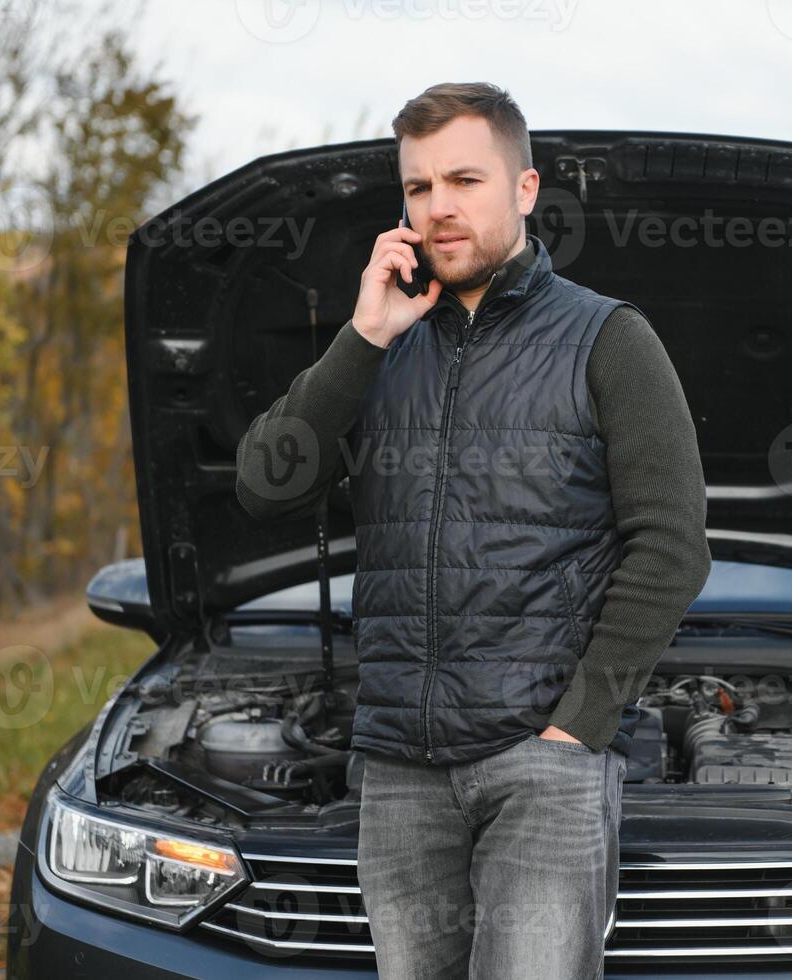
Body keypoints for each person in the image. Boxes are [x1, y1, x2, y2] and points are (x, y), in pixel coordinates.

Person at [235, 82, 710, 979]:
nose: (439, 207)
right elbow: (265, 485)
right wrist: (362, 337)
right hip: (399, 770)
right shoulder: (382, 347)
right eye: (418, 188)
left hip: (542, 765)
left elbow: (673, 546)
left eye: (463, 179)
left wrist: (580, 727)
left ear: (524, 190)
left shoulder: (606, 339)